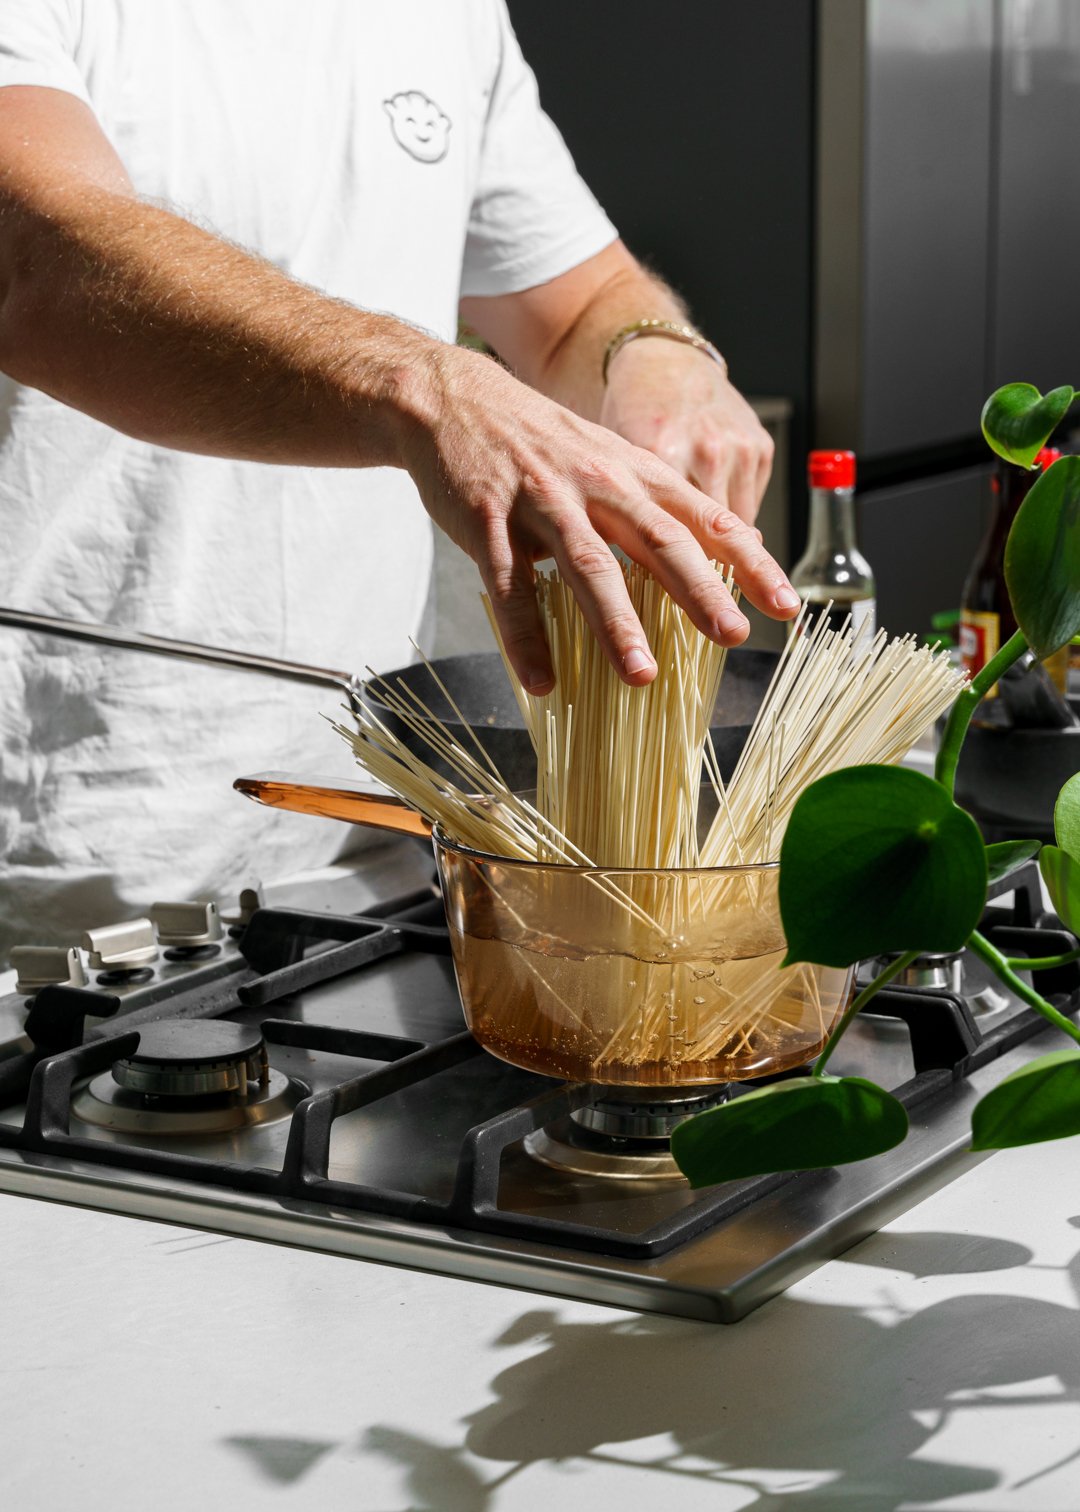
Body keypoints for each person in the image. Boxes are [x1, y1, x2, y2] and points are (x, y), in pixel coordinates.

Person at [0, 0, 798, 958]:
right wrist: (424, 384)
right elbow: (38, 259)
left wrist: (661, 355)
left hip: (366, 852)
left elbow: (573, 304)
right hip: (57, 892)